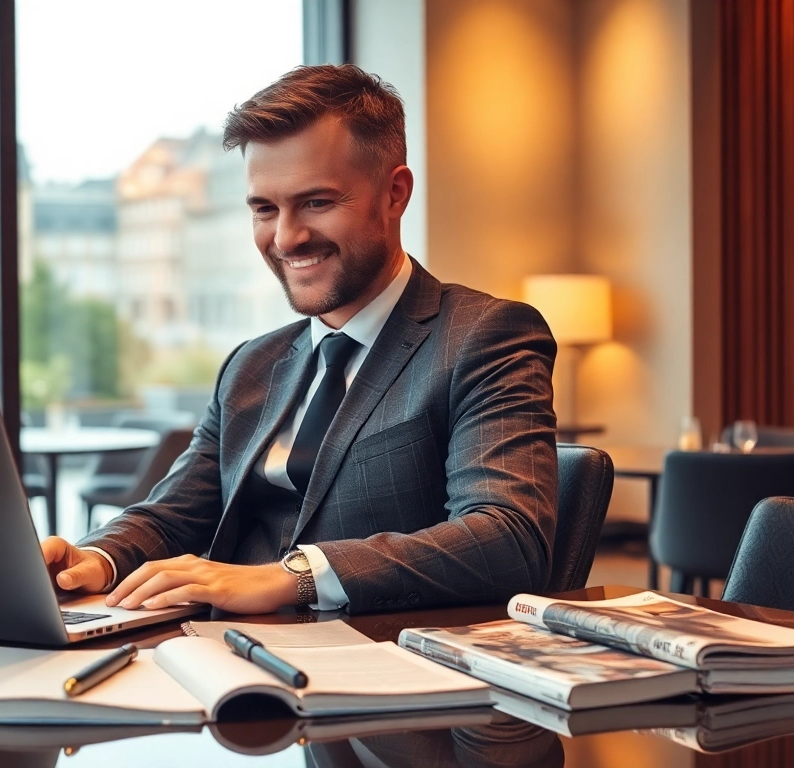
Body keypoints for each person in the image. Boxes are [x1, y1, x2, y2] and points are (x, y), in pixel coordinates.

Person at [42, 64, 558, 615]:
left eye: (317, 202)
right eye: (265, 209)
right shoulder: (251, 364)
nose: (287, 238)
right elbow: (175, 512)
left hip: (377, 665)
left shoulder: (485, 336)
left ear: (395, 193)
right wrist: (94, 559)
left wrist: (293, 577)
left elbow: (508, 537)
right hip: (214, 650)